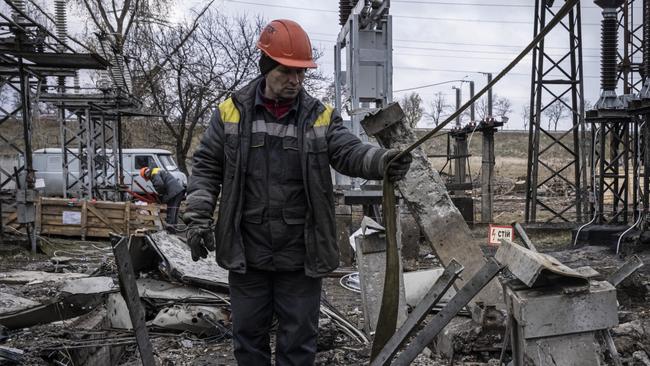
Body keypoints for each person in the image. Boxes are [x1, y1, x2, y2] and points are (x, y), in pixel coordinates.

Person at [182, 19, 412, 366]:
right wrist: (197, 218)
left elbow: (349, 151)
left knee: (298, 345)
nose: (296, 81)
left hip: (301, 257)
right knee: (248, 342)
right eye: (287, 72)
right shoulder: (231, 113)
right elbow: (206, 169)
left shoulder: (318, 117)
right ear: (266, 67)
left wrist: (381, 161)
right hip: (248, 255)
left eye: (301, 73)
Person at [140, 167, 185, 232]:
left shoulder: (154, 174)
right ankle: (174, 228)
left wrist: (161, 194)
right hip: (178, 190)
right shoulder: (156, 170)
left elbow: (159, 184)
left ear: (146, 175)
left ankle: (170, 229)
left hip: (173, 192)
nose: (148, 179)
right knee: (175, 210)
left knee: (171, 210)